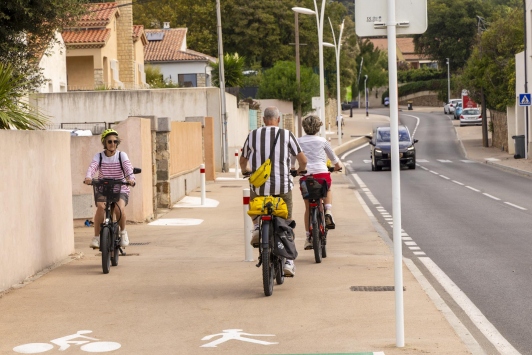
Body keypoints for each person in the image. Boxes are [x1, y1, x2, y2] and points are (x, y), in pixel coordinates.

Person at [240, 106, 307, 276]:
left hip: (259, 187)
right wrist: (300, 170)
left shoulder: (253, 135)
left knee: (254, 199)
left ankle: (256, 227)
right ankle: (289, 262)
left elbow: (243, 160)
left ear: (263, 120)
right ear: (278, 120)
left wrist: (246, 171)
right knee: (287, 220)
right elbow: (302, 160)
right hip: (282, 186)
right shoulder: (287, 135)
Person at [84, 129, 136, 249]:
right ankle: (96, 238)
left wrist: (131, 179)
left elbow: (128, 168)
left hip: (120, 187)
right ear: (104, 143)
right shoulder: (99, 156)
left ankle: (123, 233)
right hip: (103, 188)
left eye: (115, 141)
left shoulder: (121, 155)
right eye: (109, 141)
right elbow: (92, 167)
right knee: (101, 208)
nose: (112, 144)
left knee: (119, 209)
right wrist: (88, 177)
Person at [296, 115, 342, 250]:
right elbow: (334, 159)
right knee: (327, 189)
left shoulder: (298, 141)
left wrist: (294, 170)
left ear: (304, 127)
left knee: (308, 208)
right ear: (318, 127)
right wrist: (336, 167)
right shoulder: (322, 141)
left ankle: (308, 238)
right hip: (322, 174)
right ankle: (328, 212)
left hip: (306, 176)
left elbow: (293, 161)